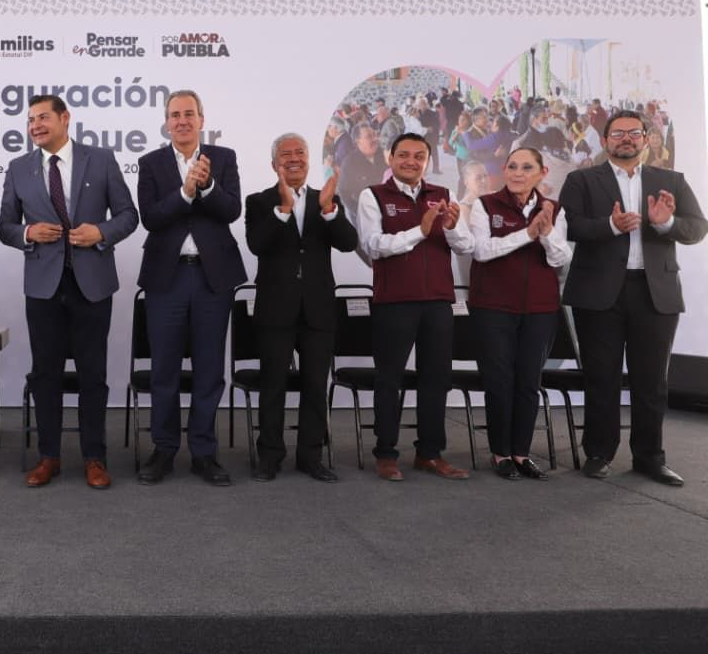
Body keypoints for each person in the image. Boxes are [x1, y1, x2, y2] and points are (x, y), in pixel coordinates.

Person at [0, 94, 138, 489]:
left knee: (93, 374)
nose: (35, 126)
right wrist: (28, 232)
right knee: (46, 374)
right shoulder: (19, 168)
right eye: (30, 120)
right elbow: (5, 226)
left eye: (43, 117)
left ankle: (95, 458)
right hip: (43, 288)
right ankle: (49, 457)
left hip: (92, 285)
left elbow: (128, 215)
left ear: (65, 118)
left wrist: (101, 233)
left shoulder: (101, 159)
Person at [559, 110, 707, 486]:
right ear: (605, 140)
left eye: (634, 133)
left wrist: (665, 223)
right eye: (618, 133)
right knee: (601, 377)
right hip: (598, 292)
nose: (626, 138)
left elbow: (697, 228)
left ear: (644, 139)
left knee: (652, 381)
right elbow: (571, 226)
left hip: (655, 292)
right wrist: (611, 225)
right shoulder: (581, 179)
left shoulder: (671, 180)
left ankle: (649, 458)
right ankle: (598, 453)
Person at [135, 90, 247, 486]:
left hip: (212, 278)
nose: (181, 121)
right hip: (166, 278)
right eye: (174, 115)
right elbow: (150, 218)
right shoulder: (150, 163)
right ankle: (164, 449)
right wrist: (185, 193)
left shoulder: (224, 158)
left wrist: (208, 185)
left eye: (188, 114)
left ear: (201, 119)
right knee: (164, 369)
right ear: (167, 122)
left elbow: (231, 210)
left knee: (209, 370)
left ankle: (203, 452)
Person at [357, 132, 474, 481]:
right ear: (390, 158)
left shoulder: (443, 194)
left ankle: (430, 454)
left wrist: (451, 228)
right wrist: (419, 231)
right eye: (404, 155)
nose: (411, 161)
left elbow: (466, 246)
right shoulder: (373, 195)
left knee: (436, 379)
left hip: (438, 300)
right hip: (394, 301)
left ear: (427, 160)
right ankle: (386, 454)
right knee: (389, 379)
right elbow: (373, 245)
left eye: (419, 156)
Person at [245, 133, 358, 483]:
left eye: (300, 153)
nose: (293, 158)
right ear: (274, 163)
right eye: (285, 154)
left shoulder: (327, 199)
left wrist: (329, 212)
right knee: (273, 386)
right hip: (275, 309)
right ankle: (270, 457)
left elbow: (348, 242)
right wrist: (282, 210)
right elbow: (257, 244)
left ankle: (311, 456)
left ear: (309, 160)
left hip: (318, 309)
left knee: (314, 386)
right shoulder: (259, 201)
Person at [468, 148, 572, 480]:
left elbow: (560, 259)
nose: (518, 173)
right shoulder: (485, 205)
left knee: (529, 381)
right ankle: (501, 453)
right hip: (492, 307)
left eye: (527, 167)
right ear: (504, 170)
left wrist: (546, 233)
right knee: (499, 380)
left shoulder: (554, 209)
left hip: (540, 308)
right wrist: (526, 234)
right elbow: (481, 251)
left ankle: (521, 453)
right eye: (512, 166)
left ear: (542, 173)